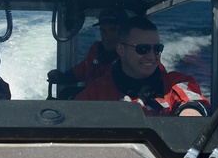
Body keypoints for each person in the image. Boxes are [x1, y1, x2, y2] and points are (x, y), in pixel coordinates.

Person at [76, 16, 209, 116]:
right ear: (121, 50)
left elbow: (192, 100)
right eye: (142, 49)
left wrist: (191, 111)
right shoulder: (98, 91)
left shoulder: (175, 83)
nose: (152, 56)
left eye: (157, 49)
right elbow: (75, 116)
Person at [47, 8, 124, 87]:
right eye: (103, 30)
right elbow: (80, 72)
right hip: (89, 98)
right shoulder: (96, 50)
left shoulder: (129, 58)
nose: (106, 36)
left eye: (112, 30)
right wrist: (61, 77)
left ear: (124, 31)